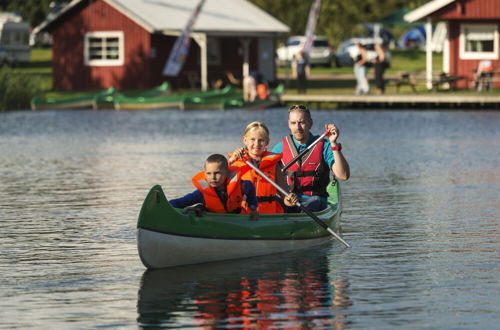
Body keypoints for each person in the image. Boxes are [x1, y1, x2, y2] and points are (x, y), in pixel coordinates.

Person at [272, 105, 350, 212]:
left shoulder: (324, 145)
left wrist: (333, 143)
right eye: (294, 123)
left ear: (310, 123)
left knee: (315, 201)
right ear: (289, 124)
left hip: (315, 202)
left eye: (302, 122)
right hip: (289, 201)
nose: (298, 127)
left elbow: (343, 175)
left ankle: (299, 221)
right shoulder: (279, 148)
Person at [229, 121, 297, 214]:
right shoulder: (236, 162)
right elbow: (221, 184)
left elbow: (285, 197)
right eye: (252, 139)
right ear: (245, 140)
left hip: (268, 215)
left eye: (261, 140)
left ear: (267, 142)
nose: (257, 144)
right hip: (244, 215)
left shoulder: (274, 165)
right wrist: (231, 161)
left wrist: (290, 200)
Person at [169, 154, 259, 219]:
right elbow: (180, 202)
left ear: (227, 173)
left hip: (237, 220)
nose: (213, 177)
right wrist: (167, 205)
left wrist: (253, 208)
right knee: (199, 208)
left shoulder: (240, 186)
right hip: (215, 221)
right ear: (205, 174)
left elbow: (250, 186)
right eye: (209, 173)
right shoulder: (202, 193)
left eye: (217, 173)